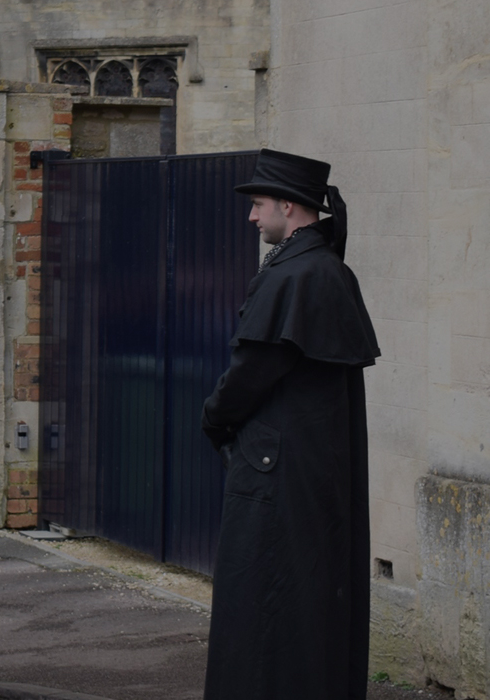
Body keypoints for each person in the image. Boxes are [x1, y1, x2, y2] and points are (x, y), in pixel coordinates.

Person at [201, 149, 379, 699]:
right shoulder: (317, 270)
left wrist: (214, 417)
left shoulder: (302, 275)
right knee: (296, 602)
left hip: (279, 477)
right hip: (303, 469)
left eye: (258, 205)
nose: (252, 217)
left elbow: (252, 372)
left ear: (289, 205)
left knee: (267, 606)